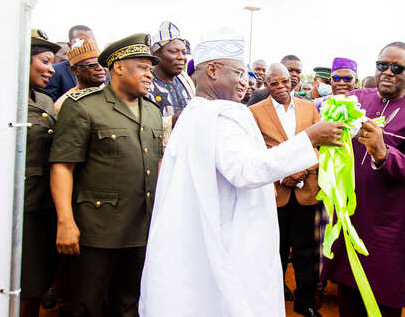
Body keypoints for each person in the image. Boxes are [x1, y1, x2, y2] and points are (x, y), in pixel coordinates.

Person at [139, 31, 344, 317]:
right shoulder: (222, 115)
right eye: (237, 72)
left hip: (206, 230)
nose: (245, 81)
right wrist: (309, 138)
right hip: (232, 237)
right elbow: (247, 170)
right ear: (212, 70)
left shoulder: (195, 113)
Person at [49, 33, 163, 317]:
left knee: (129, 305)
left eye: (151, 68)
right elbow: (63, 165)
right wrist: (65, 221)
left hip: (140, 229)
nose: (150, 74)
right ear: (119, 67)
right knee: (84, 305)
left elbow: (157, 164)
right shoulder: (85, 106)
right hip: (95, 231)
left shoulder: (151, 111)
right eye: (142, 67)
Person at [321, 42, 405, 317]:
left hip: (389, 225)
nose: (387, 72)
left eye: (397, 68)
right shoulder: (358, 98)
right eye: (382, 65)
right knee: (348, 295)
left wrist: (383, 153)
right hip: (352, 217)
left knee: (381, 300)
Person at [249, 63, 323, 317]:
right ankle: (274, 300)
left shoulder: (309, 107)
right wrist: (283, 172)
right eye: (274, 83)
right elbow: (255, 150)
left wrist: (300, 169)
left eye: (284, 81)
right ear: (266, 85)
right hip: (273, 193)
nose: (281, 87)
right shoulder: (254, 111)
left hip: (306, 189)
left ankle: (306, 301)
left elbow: (319, 145)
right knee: (274, 250)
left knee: (306, 251)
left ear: (292, 80)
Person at [20, 29, 61, 317]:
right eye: (45, 61)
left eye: (52, 62)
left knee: (37, 282)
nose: (50, 69)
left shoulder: (46, 102)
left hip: (44, 205)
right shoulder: (0, 98)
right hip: (19, 207)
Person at [146, 21, 195, 143]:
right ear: (157, 53)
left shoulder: (185, 79)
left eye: (183, 52)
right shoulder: (145, 81)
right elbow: (141, 125)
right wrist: (171, 121)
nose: (181, 57)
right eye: (174, 51)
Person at [43, 25, 96, 101]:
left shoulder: (103, 71)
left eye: (92, 41)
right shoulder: (56, 71)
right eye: (82, 41)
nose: (88, 45)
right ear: (70, 45)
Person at [54, 39, 106, 113]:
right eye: (92, 65)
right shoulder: (65, 104)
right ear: (74, 70)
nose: (101, 68)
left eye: (102, 64)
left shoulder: (114, 95)